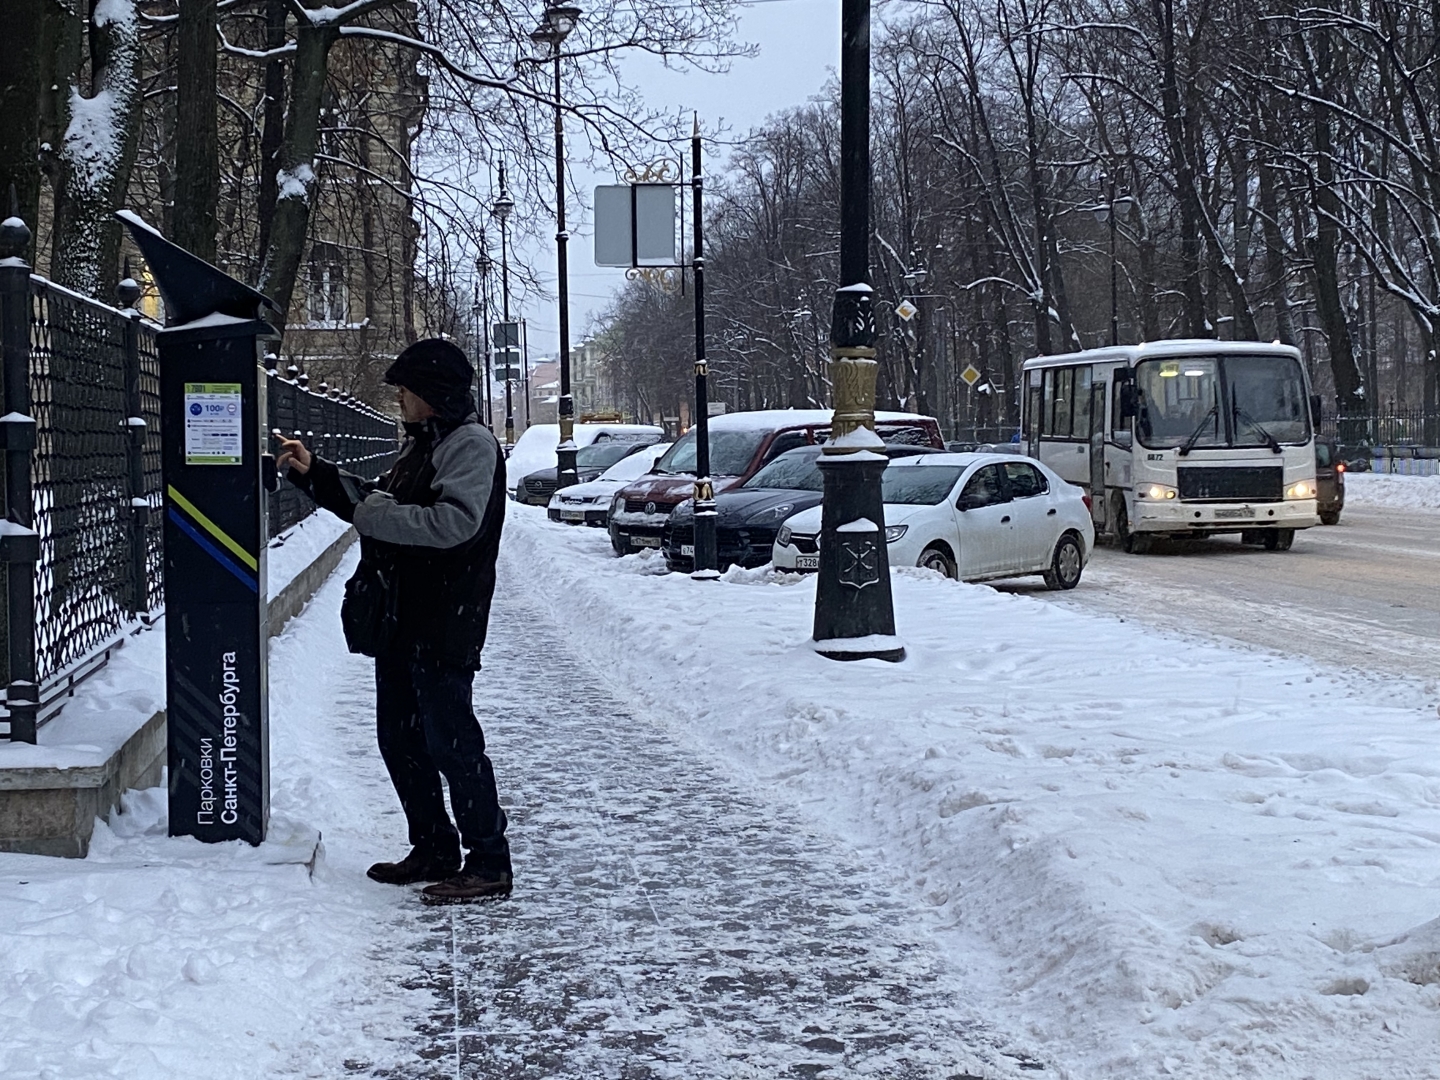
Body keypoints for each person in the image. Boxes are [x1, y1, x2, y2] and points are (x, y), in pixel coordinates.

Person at [276, 339, 512, 902]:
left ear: (431, 395)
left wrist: (370, 510)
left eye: (406, 390)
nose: (400, 399)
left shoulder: (470, 445)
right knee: (400, 740)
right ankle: (433, 846)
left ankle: (488, 861)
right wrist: (317, 476)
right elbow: (379, 500)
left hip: (444, 618)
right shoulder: (425, 444)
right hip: (405, 619)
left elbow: (452, 524)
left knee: (451, 742)